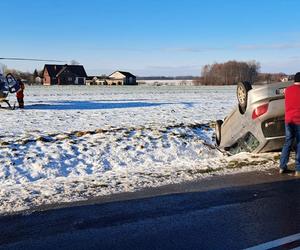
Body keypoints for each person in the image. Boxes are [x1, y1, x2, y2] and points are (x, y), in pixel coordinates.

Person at [279, 72, 300, 176]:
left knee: (288, 142)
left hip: (289, 121)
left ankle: (282, 167)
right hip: (299, 121)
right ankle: (298, 169)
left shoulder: (287, 90)